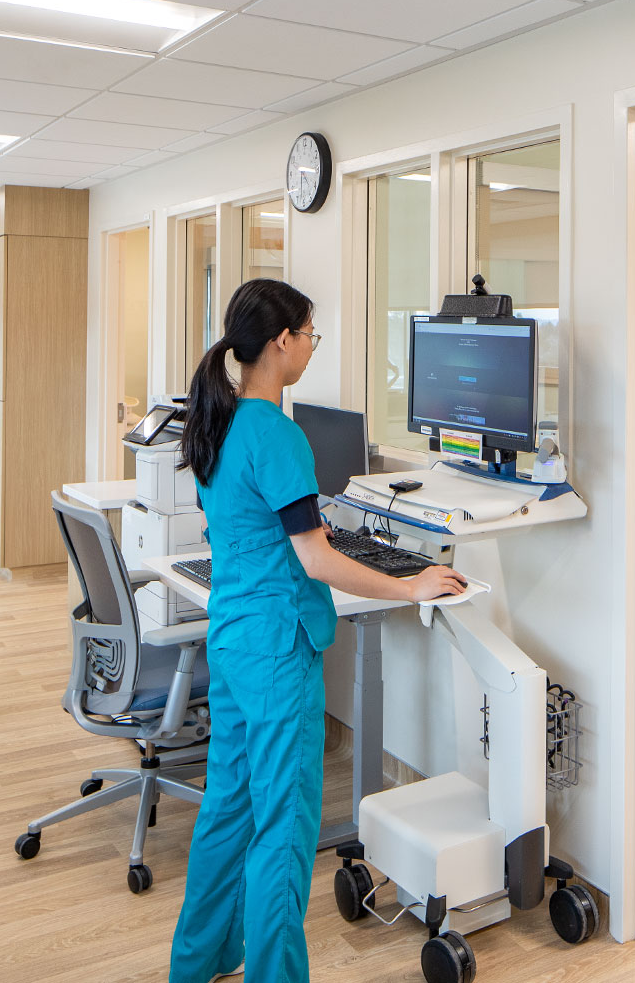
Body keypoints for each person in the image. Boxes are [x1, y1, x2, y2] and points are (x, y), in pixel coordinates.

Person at [167, 279, 466, 983]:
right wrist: (408, 584)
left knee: (229, 810)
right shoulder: (276, 432)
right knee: (284, 830)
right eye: (309, 336)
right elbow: (313, 558)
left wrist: (311, 530)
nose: (309, 348)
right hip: (275, 650)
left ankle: (198, 963)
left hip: (235, 639)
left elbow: (260, 527)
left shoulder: (223, 421)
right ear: (282, 342)